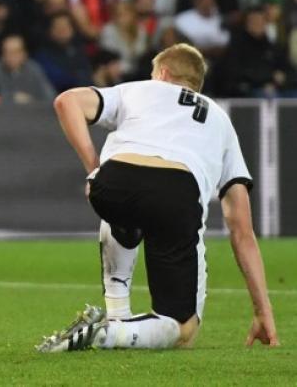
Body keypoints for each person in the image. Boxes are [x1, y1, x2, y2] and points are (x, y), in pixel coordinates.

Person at [40, 44, 278, 352]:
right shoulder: (220, 120)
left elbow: (66, 101)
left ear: (162, 74)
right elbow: (241, 230)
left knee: (125, 209)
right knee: (183, 330)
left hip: (114, 184)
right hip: (177, 194)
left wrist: (93, 169)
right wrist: (263, 311)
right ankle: (108, 333)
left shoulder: (137, 89)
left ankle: (117, 315)